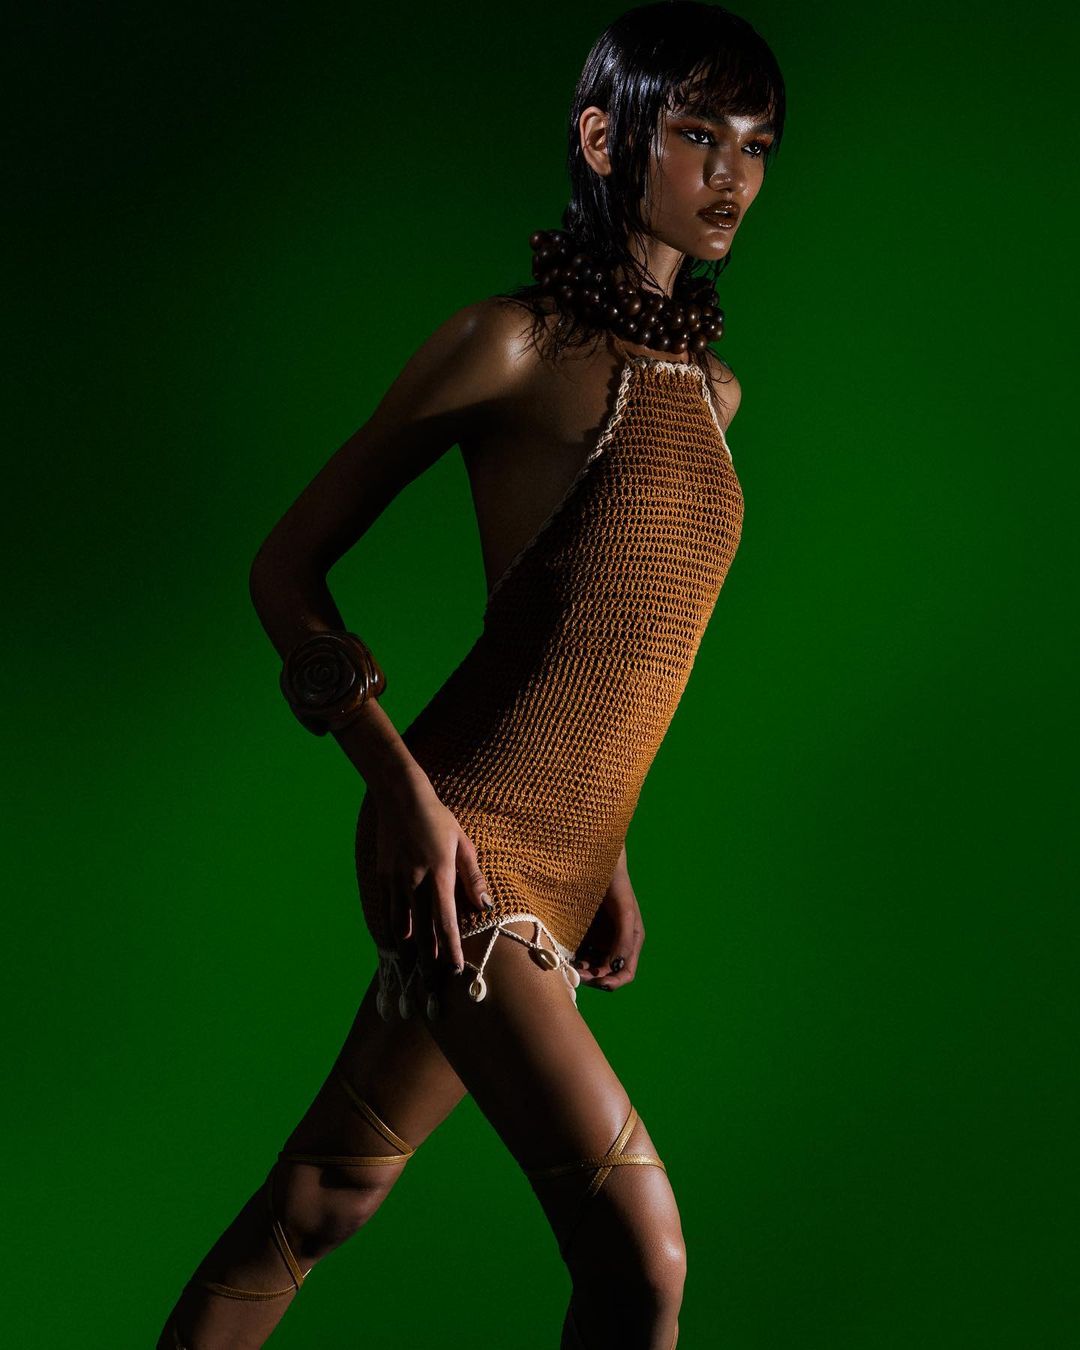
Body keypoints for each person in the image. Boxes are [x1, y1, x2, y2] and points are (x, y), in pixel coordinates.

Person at [157, 3, 785, 1346]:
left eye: (755, 145)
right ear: (605, 139)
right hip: (468, 847)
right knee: (642, 1255)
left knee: (316, 1202)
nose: (731, 173)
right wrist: (401, 794)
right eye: (697, 134)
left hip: (565, 862)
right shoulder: (511, 346)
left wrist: (609, 855)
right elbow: (284, 572)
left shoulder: (711, 393)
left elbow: (600, 638)